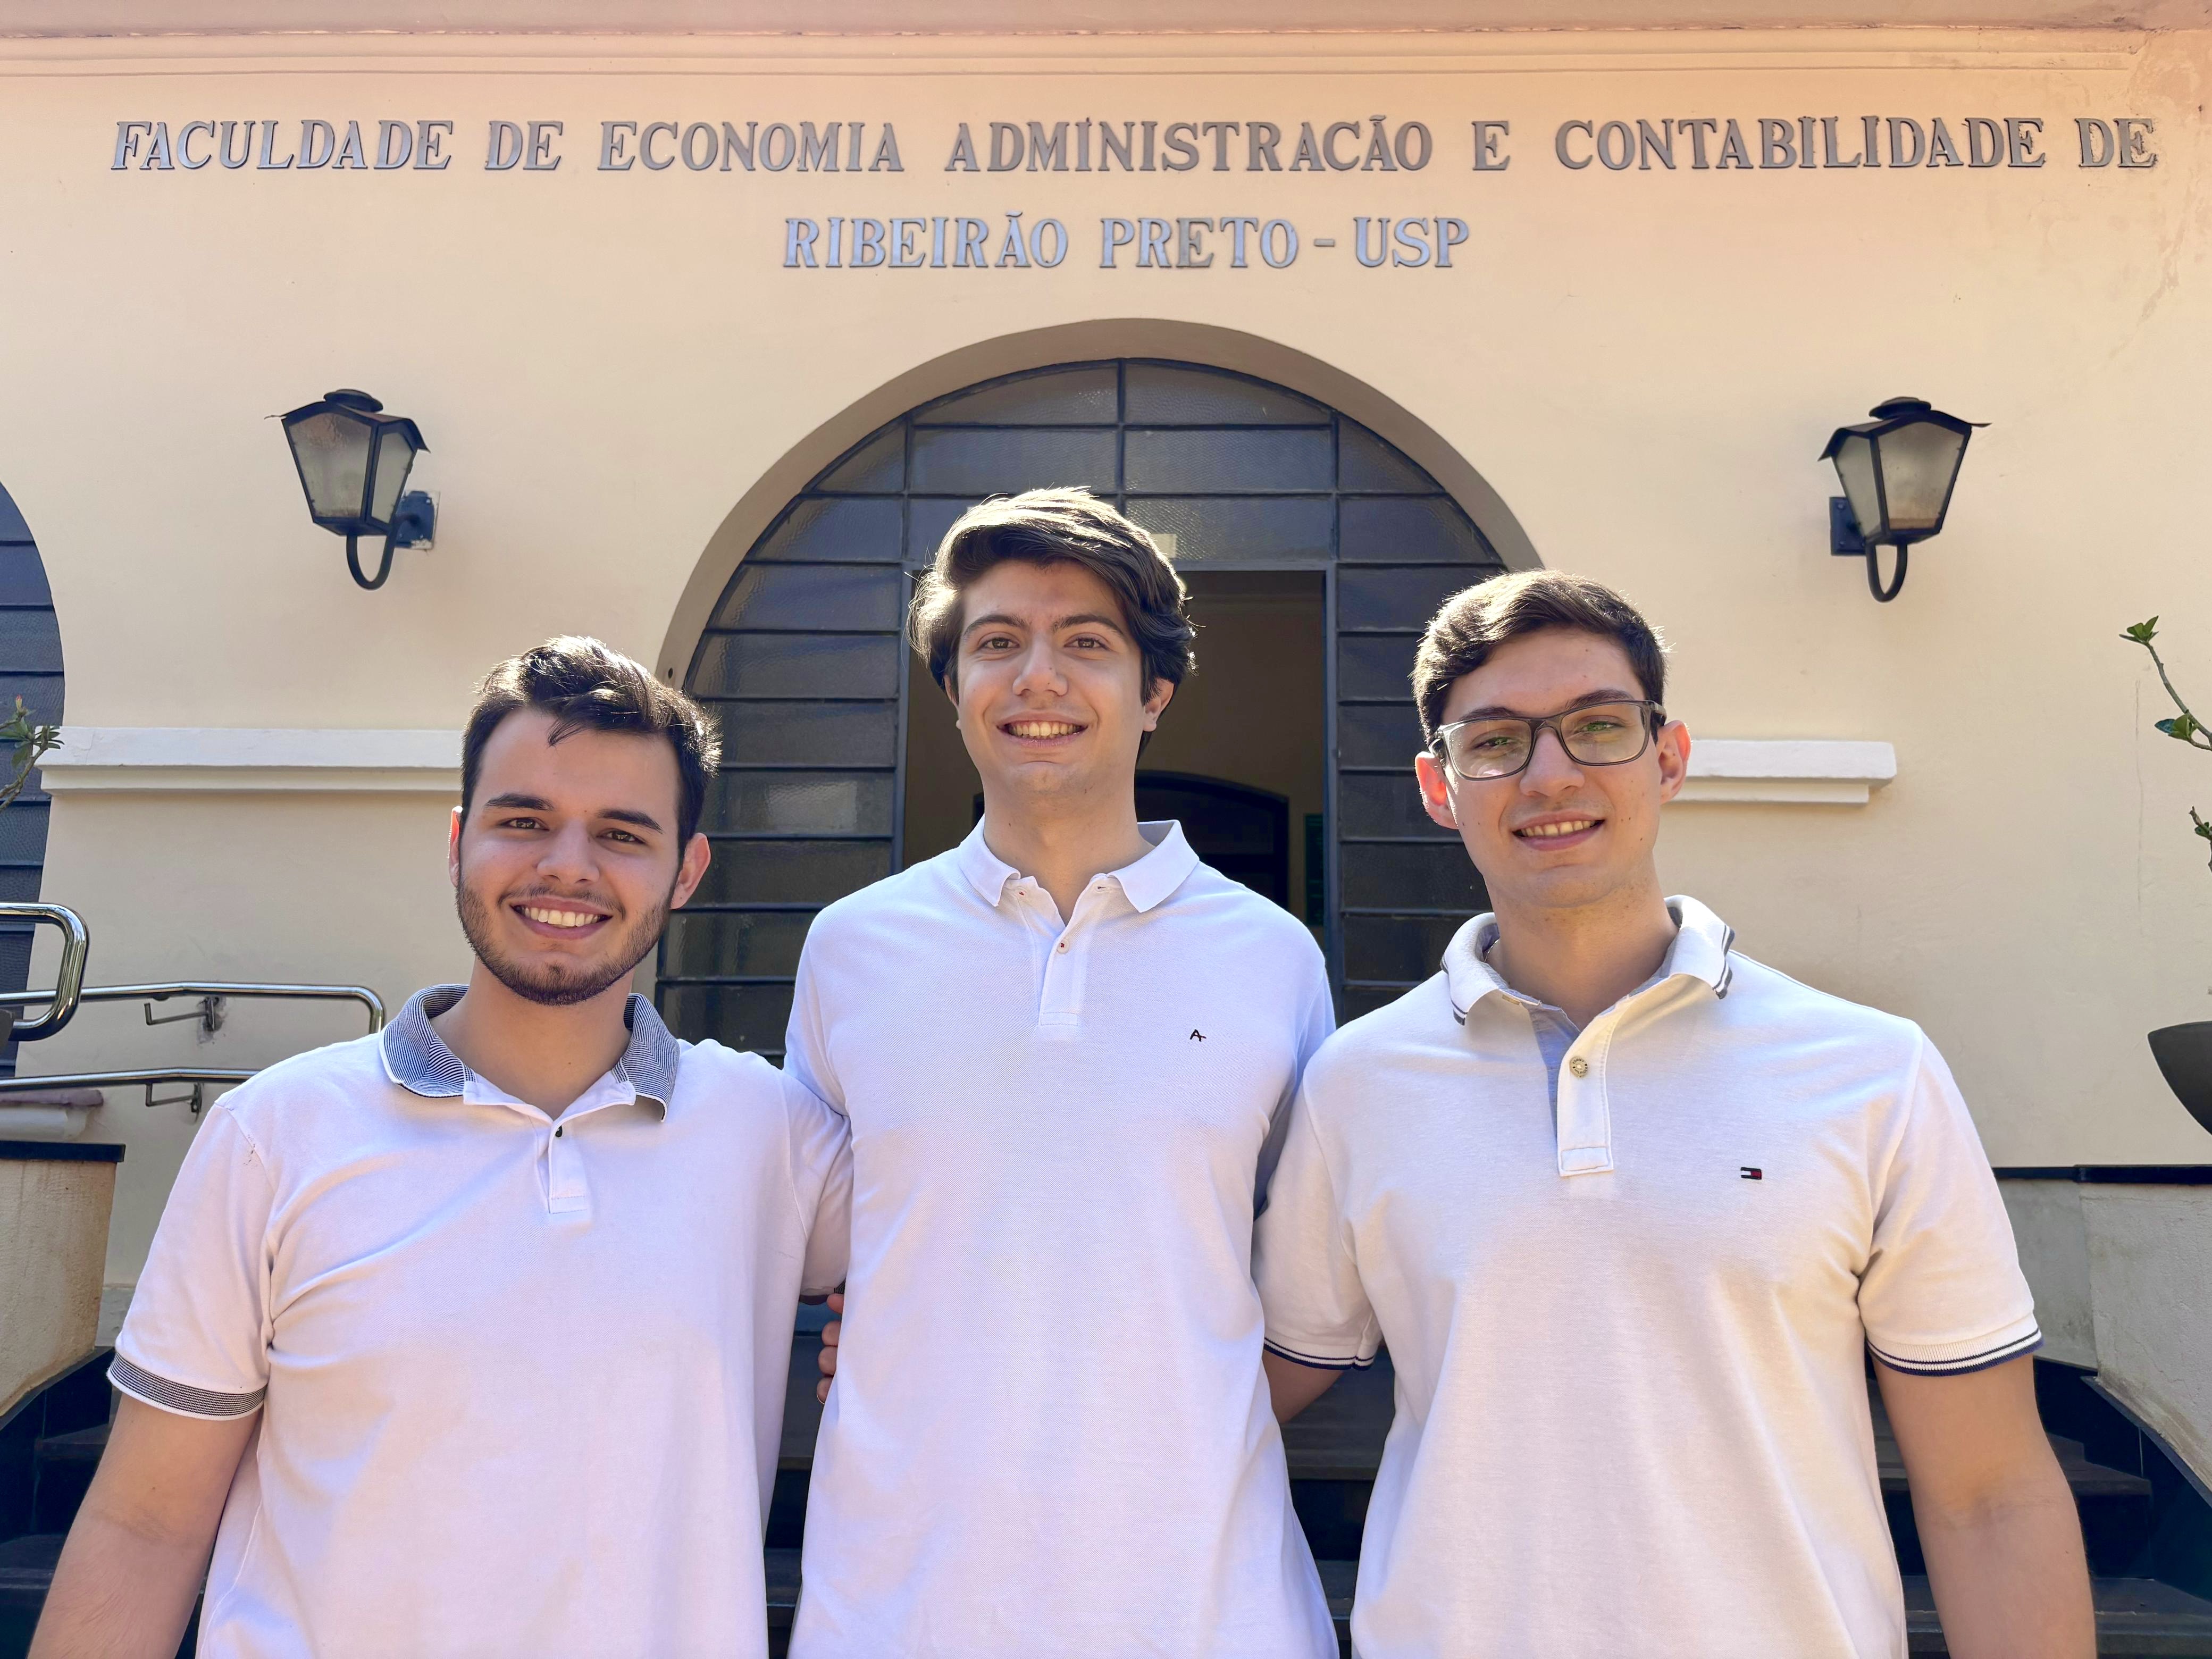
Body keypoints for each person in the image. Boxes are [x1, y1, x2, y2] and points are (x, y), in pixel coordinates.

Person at [1253, 571, 2094, 1659]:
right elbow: (1249, 1384)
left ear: (1670, 756)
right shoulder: (1357, 1082)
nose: (1549, 774)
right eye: (1496, 740)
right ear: (1436, 784)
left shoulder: (1873, 1071)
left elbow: (1989, 1493)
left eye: (1597, 727)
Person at [33, 638, 850, 1659]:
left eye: (621, 834)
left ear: (686, 872)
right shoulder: (274, 1134)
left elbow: (993, 1251)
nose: (567, 865)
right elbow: (145, 1526)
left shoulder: (773, 1134)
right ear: (458, 840)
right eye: (524, 821)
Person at [786, 489, 1337, 1657]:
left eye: (1086, 643)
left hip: (1206, 1610)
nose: (1037, 676)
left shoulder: (1274, 960)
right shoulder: (850, 947)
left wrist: (1160, 1401)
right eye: (996, 643)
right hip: (896, 1609)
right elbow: (839, 1229)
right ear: (955, 692)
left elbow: (1311, 1295)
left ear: (1155, 695)